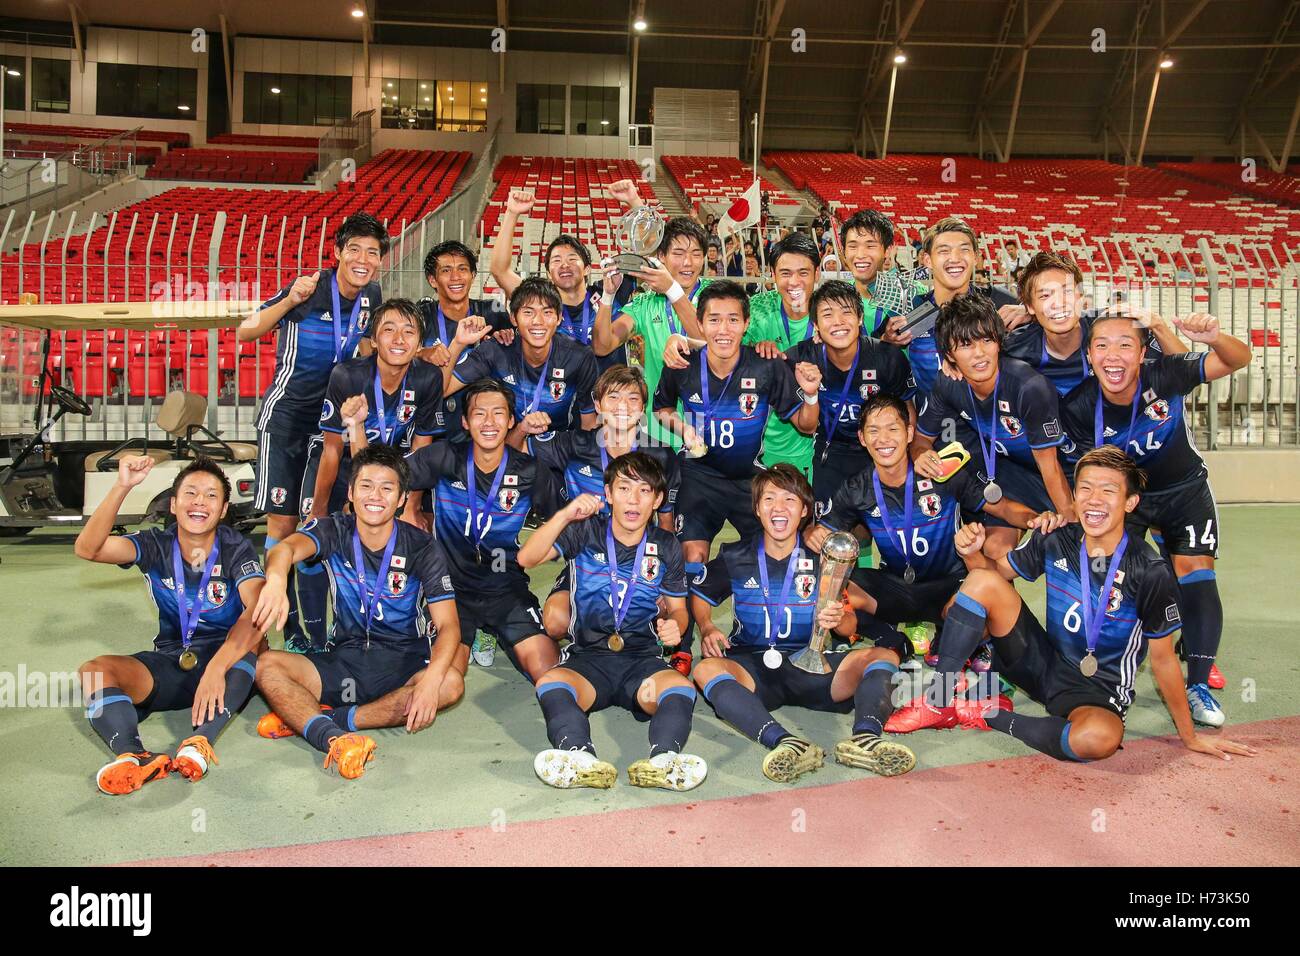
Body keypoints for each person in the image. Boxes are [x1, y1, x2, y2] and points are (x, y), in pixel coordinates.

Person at [887, 447, 1258, 767]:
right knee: (981, 582)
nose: (1094, 500)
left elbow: (1162, 661)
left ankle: (991, 715)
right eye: (1085, 489)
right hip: (1042, 662)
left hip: (1098, 690)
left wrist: (1189, 737)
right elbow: (990, 578)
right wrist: (971, 554)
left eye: (1108, 490)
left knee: (1098, 740)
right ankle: (939, 701)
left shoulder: (1150, 572)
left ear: (1130, 503)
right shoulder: (1058, 536)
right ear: (1075, 496)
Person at [1060, 312, 1251, 725]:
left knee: (1195, 574)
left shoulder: (1164, 374)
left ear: (1143, 353)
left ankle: (1198, 682)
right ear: (1089, 356)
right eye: (1102, 346)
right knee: (1116, 581)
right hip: (1128, 501)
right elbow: (1080, 473)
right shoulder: (1077, 406)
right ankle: (1108, 677)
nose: (1113, 355)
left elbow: (1237, 359)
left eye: (1125, 345)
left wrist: (1216, 338)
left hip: (1184, 490)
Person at [690, 465, 918, 782]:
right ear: (757, 508)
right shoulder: (737, 554)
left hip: (812, 665)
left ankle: (866, 737)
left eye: (789, 499)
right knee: (705, 669)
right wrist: (707, 626)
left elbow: (849, 628)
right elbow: (700, 595)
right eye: (769, 498)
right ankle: (785, 743)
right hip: (753, 668)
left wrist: (840, 619)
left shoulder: (824, 559)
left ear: (804, 511)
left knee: (882, 656)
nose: (779, 507)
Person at [251, 445, 464, 780]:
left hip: (404, 662)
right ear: (350, 493)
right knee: (266, 665)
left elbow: (449, 626)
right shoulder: (335, 530)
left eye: (387, 488)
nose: (375, 496)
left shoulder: (423, 547)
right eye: (365, 486)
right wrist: (276, 580)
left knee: (450, 684)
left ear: (402, 498)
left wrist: (430, 681)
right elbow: (285, 548)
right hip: (344, 659)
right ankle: (330, 735)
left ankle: (323, 720)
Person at [813, 394, 1061, 666]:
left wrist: (1036, 519)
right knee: (833, 585)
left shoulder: (942, 470)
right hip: (896, 585)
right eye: (873, 430)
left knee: (987, 594)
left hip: (950, 584)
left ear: (909, 433)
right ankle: (891, 640)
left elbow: (1000, 507)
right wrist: (813, 537)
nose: (883, 439)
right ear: (862, 437)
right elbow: (821, 535)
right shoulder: (855, 489)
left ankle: (949, 640)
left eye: (893, 428)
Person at [238, 212, 388, 645]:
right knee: (282, 528)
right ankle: (280, 629)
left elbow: (362, 344)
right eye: (354, 249)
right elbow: (245, 331)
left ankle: (325, 628)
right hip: (287, 420)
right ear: (338, 252)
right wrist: (287, 302)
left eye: (372, 252)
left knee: (317, 525)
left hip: (332, 427)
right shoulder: (309, 288)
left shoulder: (372, 294)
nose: (363, 259)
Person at [76, 457, 267, 794]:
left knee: (253, 642)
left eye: (211, 495)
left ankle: (199, 743)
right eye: (190, 493)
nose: (199, 502)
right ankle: (133, 755)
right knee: (94, 670)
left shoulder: (237, 548)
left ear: (223, 509)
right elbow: (88, 548)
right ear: (175, 504)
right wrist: (122, 486)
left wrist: (216, 668)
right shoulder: (155, 544)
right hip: (174, 660)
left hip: (230, 666)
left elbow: (257, 611)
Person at [518, 454, 705, 791]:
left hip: (642, 660)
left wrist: (675, 624)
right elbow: (525, 558)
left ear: (658, 499)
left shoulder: (666, 547)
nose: (633, 500)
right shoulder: (584, 532)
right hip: (588, 660)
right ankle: (580, 757)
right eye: (624, 488)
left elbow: (679, 609)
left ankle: (664, 760)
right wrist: (564, 515)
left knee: (680, 688)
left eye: (644, 491)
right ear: (608, 493)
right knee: (551, 683)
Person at [652, 280, 816, 620]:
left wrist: (811, 394)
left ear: (745, 324)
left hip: (749, 480)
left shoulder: (765, 365)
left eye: (732, 320)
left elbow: (806, 425)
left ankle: (764, 632)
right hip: (699, 477)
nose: (723, 329)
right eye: (714, 320)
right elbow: (661, 408)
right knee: (692, 557)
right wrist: (682, 429)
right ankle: (680, 646)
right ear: (700, 324)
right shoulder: (682, 363)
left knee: (777, 551)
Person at [294, 298, 443, 651]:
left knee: (408, 537)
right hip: (340, 466)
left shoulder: (428, 377)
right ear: (373, 339)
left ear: (420, 341)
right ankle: (314, 641)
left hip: (395, 472)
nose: (398, 338)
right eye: (388, 329)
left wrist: (412, 506)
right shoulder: (348, 375)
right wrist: (317, 511)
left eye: (409, 331)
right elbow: (332, 449)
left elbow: (421, 450)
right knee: (314, 544)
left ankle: (387, 629)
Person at [514, 366, 682, 659]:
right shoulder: (574, 443)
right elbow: (509, 453)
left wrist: (662, 581)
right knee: (554, 620)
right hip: (585, 552)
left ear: (642, 408)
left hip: (639, 559)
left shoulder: (661, 455)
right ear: (598, 405)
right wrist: (521, 429)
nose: (622, 407)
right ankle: (576, 655)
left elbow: (665, 522)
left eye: (632, 399)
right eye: (613, 397)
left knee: (666, 608)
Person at [404, 379, 557, 678]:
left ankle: (496, 629)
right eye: (479, 413)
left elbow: (565, 525)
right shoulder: (444, 458)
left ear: (511, 420)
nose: (489, 422)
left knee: (549, 673)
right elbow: (381, 476)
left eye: (498, 413)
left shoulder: (530, 471)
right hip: (450, 591)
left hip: (506, 589)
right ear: (464, 421)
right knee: (445, 681)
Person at [912, 294, 1074, 560]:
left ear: (999, 341)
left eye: (986, 340)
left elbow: (1052, 468)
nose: (979, 353)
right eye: (965, 344)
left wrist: (1071, 528)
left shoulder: (1028, 388)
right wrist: (920, 455)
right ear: (949, 354)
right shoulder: (948, 383)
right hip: (1015, 473)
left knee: (1071, 547)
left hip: (1063, 472)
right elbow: (921, 439)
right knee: (996, 550)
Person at [786, 280, 915, 516]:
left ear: (859, 318)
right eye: (827, 314)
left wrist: (907, 458)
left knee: (884, 527)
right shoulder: (801, 358)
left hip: (879, 451)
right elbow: (806, 427)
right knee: (826, 532)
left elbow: (907, 408)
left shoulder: (888, 358)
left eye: (846, 312)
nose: (838, 322)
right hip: (830, 454)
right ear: (815, 324)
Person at [592, 216, 711, 449]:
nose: (688, 262)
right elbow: (602, 345)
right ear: (661, 257)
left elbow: (711, 343)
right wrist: (608, 295)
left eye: (696, 254)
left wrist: (672, 290)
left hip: (708, 427)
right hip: (658, 430)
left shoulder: (717, 295)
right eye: (678, 253)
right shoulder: (645, 304)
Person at [488, 188, 636, 367]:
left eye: (572, 259)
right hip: (559, 393)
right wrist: (512, 213)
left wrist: (634, 201)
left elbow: (651, 255)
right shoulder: (540, 302)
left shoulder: (611, 289)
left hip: (613, 393)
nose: (565, 265)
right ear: (549, 274)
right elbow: (499, 270)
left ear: (587, 269)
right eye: (556, 260)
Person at [1004, 251, 1185, 397]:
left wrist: (1159, 326)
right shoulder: (1015, 344)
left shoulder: (1111, 325)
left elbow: (1187, 370)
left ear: (1081, 296)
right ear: (1030, 306)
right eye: (1045, 296)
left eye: (1066, 291)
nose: (1058, 303)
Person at [442, 277, 599, 438]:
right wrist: (458, 343)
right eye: (528, 312)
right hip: (506, 451)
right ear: (513, 318)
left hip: (557, 452)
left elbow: (588, 422)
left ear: (559, 318)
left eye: (547, 312)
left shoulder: (579, 356)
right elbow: (442, 390)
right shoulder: (496, 350)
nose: (538, 321)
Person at [881, 216, 1022, 395]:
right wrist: (887, 342)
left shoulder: (999, 303)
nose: (954, 259)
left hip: (993, 418)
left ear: (975, 257)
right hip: (932, 420)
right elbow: (877, 357)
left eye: (964, 250)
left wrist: (1032, 314)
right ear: (927, 260)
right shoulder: (912, 308)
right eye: (944, 251)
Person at [838, 209, 924, 338]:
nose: (860, 255)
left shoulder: (913, 292)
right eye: (853, 246)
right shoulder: (835, 300)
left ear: (887, 251)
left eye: (870, 246)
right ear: (844, 252)